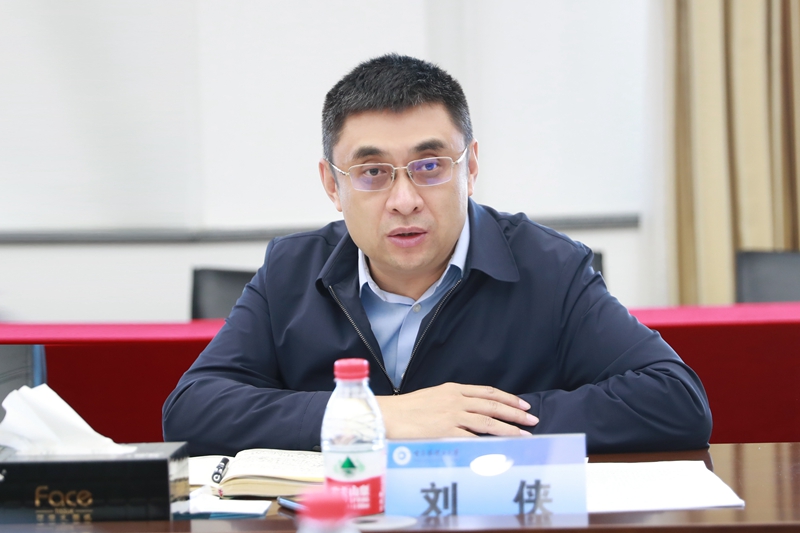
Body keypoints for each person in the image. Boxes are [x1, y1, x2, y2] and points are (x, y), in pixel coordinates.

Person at [163, 54, 712, 456]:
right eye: (372, 172)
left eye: (429, 167)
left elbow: (675, 401)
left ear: (469, 167)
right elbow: (192, 409)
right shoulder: (290, 270)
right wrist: (380, 418)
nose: (404, 200)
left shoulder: (550, 266)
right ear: (333, 185)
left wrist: (468, 422)